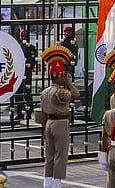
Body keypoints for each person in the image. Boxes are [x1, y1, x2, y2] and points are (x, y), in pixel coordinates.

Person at [40, 45, 80, 188]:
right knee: (60, 154)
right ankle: (57, 183)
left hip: (49, 123)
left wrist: (44, 128)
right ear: (60, 76)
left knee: (49, 155)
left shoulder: (45, 92)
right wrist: (70, 83)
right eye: (63, 75)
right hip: (60, 124)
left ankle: (47, 182)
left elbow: (43, 112)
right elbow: (76, 95)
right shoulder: (61, 92)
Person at [14, 29, 36, 121]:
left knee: (27, 93)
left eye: (24, 35)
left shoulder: (31, 47)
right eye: (22, 35)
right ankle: (19, 113)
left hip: (27, 73)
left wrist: (28, 67)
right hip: (18, 73)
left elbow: (33, 61)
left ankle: (28, 113)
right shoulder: (17, 46)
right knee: (18, 93)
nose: (23, 37)